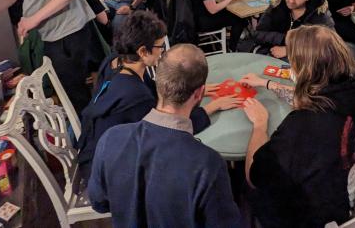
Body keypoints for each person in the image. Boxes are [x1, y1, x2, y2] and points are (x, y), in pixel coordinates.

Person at [239, 26, 355, 228]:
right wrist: (268, 84)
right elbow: (320, 99)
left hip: (331, 219)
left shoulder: (303, 126)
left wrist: (259, 125)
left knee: (245, 187)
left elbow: (254, 176)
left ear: (303, 71)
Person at [88, 43, 242, 228]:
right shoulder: (207, 164)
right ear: (200, 93)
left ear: (159, 82)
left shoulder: (110, 139)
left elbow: (99, 202)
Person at [78, 13, 242, 177]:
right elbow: (168, 129)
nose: (163, 52)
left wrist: (191, 89)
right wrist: (213, 107)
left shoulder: (115, 60)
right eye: (160, 47)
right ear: (143, 51)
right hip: (111, 168)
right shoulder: (136, 94)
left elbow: (154, 93)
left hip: (95, 145)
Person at [249, 0, 333, 59]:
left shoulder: (320, 16)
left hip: (303, 63)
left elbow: (328, 47)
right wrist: (284, 38)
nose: (291, 0)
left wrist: (290, 50)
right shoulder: (276, 5)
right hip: (271, 55)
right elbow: (258, 34)